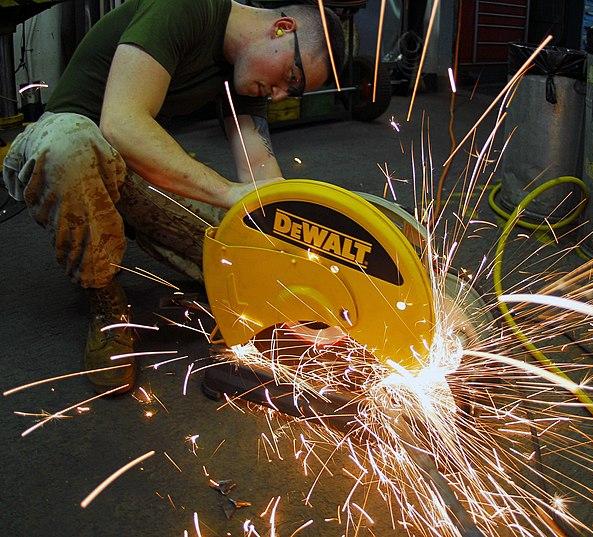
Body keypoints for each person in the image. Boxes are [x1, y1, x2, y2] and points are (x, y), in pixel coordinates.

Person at [2, 0, 345, 394]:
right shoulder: (182, 8)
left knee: (240, 250)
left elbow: (262, 176)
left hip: (129, 168)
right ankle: (105, 302)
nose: (282, 95)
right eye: (292, 78)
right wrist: (226, 192)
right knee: (72, 145)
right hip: (63, 146)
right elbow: (121, 124)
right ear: (282, 28)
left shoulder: (246, 71)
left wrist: (298, 259)